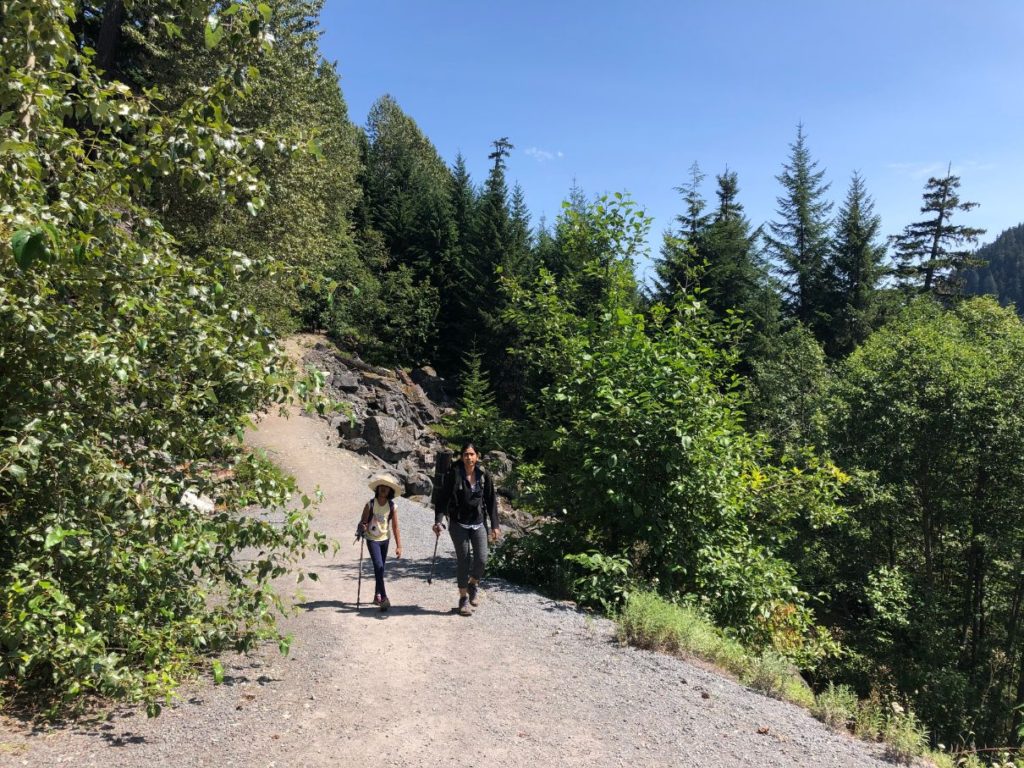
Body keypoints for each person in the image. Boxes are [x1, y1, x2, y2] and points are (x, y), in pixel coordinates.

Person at [433, 442, 500, 616]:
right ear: (461, 457)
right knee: (464, 559)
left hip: (478, 523)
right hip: (458, 523)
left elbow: (491, 501)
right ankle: (463, 598)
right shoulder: (454, 475)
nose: (468, 457)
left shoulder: (484, 475)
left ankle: (473, 583)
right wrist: (438, 521)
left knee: (482, 558)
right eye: (465, 454)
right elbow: (442, 499)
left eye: (471, 454)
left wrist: (495, 525)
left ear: (477, 456)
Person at [358, 472, 403, 612]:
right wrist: (362, 527)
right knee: (379, 566)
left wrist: (399, 546)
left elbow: (395, 527)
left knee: (381, 568)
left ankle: (377, 595)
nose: (384, 489)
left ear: (390, 491)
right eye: (381, 487)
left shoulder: (392, 506)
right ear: (377, 489)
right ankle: (383, 597)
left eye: (387, 487)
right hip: (372, 539)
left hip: (385, 539)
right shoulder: (370, 504)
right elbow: (362, 522)